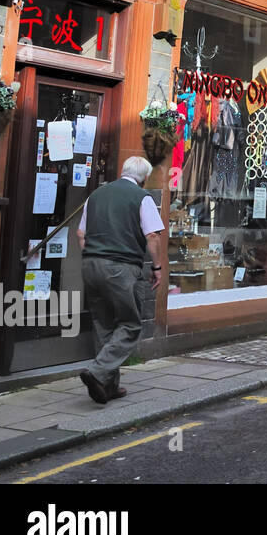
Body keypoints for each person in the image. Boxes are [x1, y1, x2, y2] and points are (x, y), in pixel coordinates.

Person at [76, 156, 165, 404]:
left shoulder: (96, 196)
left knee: (104, 325)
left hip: (90, 264)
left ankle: (108, 386)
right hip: (120, 267)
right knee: (130, 325)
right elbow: (153, 237)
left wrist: (92, 256)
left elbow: (80, 234)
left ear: (123, 171)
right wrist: (157, 267)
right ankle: (97, 371)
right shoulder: (142, 197)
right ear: (144, 178)